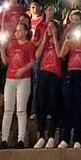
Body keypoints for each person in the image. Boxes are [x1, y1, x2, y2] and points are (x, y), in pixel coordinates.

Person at [0, 22, 36, 149]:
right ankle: (4, 139)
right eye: (16, 30)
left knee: (21, 110)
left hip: (23, 79)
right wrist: (2, 50)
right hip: (10, 78)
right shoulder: (12, 44)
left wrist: (23, 69)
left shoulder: (29, 45)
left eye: (20, 30)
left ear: (26, 32)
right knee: (8, 110)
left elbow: (32, 61)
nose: (17, 32)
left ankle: (21, 139)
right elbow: (6, 61)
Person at [58, 15, 81, 149]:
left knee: (78, 108)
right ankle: (65, 138)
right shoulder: (71, 41)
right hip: (70, 73)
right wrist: (67, 41)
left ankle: (77, 138)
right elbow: (61, 55)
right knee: (67, 106)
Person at [34, 19, 62, 148]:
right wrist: (44, 40)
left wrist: (55, 38)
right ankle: (41, 135)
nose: (49, 29)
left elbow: (59, 54)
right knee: (41, 105)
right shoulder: (44, 42)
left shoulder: (60, 40)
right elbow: (37, 55)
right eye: (48, 27)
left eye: (52, 27)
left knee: (54, 104)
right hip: (43, 73)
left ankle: (51, 136)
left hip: (55, 75)